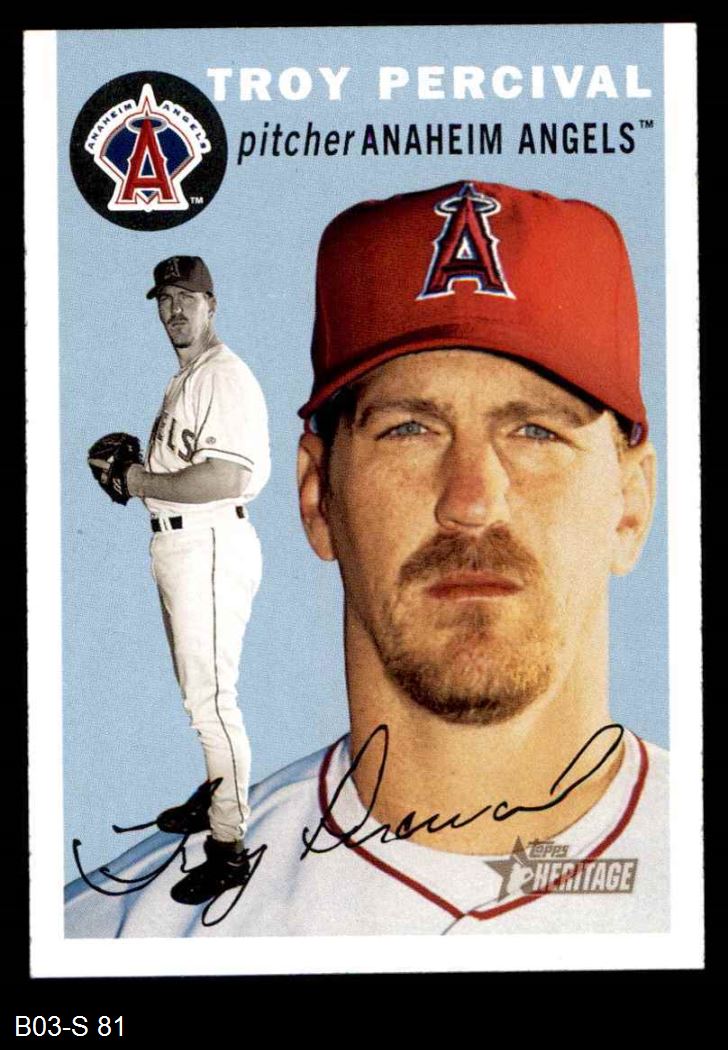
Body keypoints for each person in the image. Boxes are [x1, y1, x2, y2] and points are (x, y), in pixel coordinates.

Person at [66, 183, 667, 937]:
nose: (472, 501)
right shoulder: (114, 937)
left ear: (631, 506)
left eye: (538, 431)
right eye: (410, 428)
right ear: (318, 496)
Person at [88, 255, 271, 906]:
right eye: (164, 299)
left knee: (213, 705)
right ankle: (218, 788)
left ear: (211, 304)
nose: (173, 310)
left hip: (209, 543)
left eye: (185, 298)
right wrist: (145, 482)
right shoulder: (188, 377)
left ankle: (229, 847)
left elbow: (225, 476)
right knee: (203, 702)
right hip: (183, 547)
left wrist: (136, 479)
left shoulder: (222, 375)